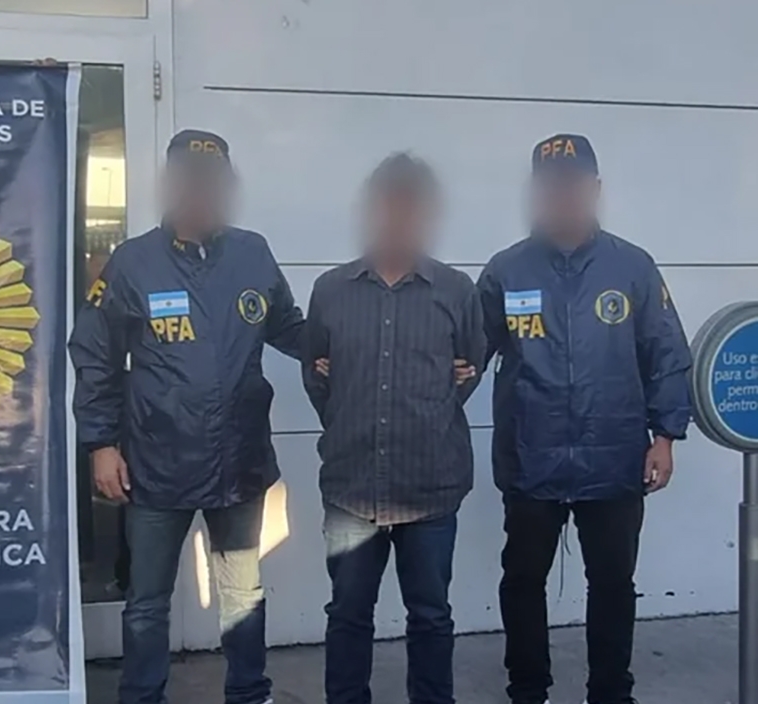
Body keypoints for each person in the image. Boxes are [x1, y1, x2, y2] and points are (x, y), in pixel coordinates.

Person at [69, 129, 304, 704]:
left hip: (239, 461)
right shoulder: (133, 263)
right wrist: (101, 443)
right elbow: (95, 354)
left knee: (242, 594)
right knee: (147, 602)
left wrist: (343, 343)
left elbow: (290, 327)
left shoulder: (252, 253)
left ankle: (249, 694)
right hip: (157, 464)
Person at [477, 134, 692, 704]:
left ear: (595, 189)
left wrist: (665, 437)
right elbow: (465, 355)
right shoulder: (506, 271)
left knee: (613, 585)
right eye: (551, 188)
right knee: (523, 581)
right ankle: (528, 690)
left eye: (573, 186)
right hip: (531, 458)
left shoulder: (632, 267)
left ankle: (611, 691)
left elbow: (666, 354)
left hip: (614, 459)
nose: (563, 198)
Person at [302, 152, 485, 704]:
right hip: (352, 488)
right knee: (348, 614)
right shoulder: (330, 290)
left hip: (429, 488)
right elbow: (317, 378)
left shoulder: (456, 291)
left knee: (430, 615)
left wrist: (423, 414)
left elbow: (467, 372)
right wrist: (351, 418)